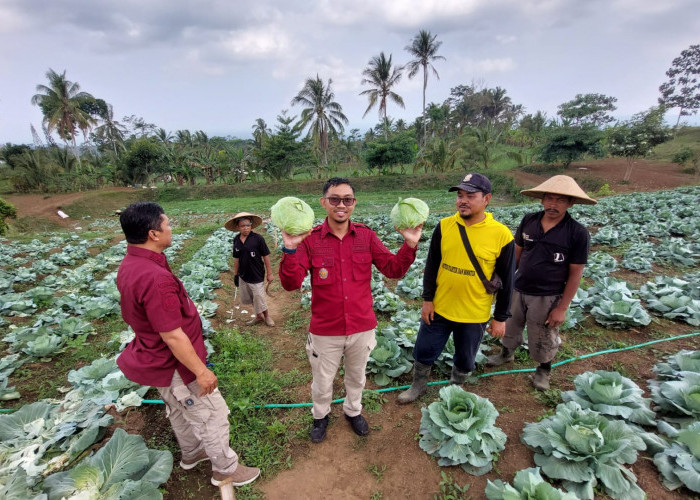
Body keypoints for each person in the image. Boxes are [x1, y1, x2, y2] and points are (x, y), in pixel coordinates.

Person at [116, 202, 260, 487]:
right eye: (167, 224)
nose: (171, 228)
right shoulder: (154, 277)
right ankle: (225, 470)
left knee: (178, 410)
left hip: (155, 360)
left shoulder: (132, 264)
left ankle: (193, 453)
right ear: (153, 233)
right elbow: (172, 335)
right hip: (177, 364)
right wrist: (201, 371)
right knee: (211, 414)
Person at [279, 177, 422, 443]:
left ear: (354, 204)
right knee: (322, 383)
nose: (341, 205)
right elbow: (290, 284)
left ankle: (353, 411)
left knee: (356, 379)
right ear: (324, 203)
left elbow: (393, 269)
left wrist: (410, 244)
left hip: (361, 327)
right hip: (325, 329)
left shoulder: (366, 236)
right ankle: (320, 417)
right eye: (334, 199)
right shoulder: (309, 241)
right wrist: (289, 248)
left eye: (347, 199)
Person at [398, 173, 515, 404]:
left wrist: (500, 317)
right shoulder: (444, 226)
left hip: (474, 313)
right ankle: (418, 385)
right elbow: (431, 266)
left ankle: (455, 388)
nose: (463, 200)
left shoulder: (501, 235)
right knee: (424, 349)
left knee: (465, 357)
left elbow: (508, 280)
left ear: (487, 199)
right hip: (440, 306)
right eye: (460, 195)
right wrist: (427, 299)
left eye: (470, 196)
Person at [486, 175, 595, 390]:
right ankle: (506, 354)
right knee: (510, 324)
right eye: (550, 198)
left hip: (548, 294)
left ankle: (544, 369)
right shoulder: (529, 221)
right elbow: (516, 255)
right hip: (518, 288)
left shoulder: (577, 233)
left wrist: (562, 308)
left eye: (561, 200)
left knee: (543, 333)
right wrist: (502, 282)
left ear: (570, 203)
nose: (553, 204)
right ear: (542, 199)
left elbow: (575, 274)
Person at [224, 212, 275, 326]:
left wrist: (269, 273)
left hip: (256, 273)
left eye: (248, 225)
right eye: (243, 226)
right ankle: (258, 316)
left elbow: (266, 256)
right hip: (243, 275)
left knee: (259, 297)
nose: (246, 228)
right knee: (251, 297)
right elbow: (236, 258)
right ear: (238, 227)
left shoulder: (258, 238)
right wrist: (236, 275)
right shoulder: (236, 240)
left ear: (251, 226)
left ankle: (267, 316)